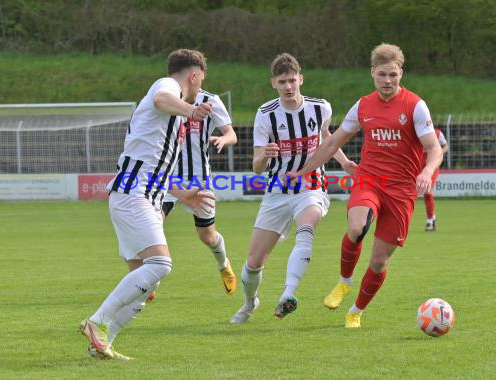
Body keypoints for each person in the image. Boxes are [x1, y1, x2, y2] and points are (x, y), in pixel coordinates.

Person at [287, 43, 443, 328]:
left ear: (401, 74)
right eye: (382, 75)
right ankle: (344, 281)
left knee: (379, 262)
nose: (387, 81)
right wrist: (303, 170)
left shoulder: (415, 106)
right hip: (369, 179)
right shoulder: (363, 105)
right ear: (373, 73)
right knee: (357, 227)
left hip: (401, 190)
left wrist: (427, 170)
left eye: (393, 75)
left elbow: (434, 148)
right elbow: (333, 142)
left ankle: (356, 311)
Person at [79, 49, 215, 360]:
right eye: (200, 81)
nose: (198, 90)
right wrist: (190, 111)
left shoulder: (171, 114)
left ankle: (101, 345)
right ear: (193, 76)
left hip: (142, 196)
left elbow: (156, 166)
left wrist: (183, 195)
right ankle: (97, 321)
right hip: (133, 194)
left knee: (145, 286)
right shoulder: (165, 86)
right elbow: (160, 100)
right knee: (161, 265)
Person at [229, 53, 353, 324]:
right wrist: (265, 155)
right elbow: (257, 167)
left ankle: (288, 294)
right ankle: (250, 303)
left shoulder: (320, 107)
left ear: (301, 79)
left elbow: (326, 138)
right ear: (273, 82)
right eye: (282, 81)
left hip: (311, 185)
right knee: (253, 263)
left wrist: (343, 162)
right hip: (277, 190)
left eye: (292, 80)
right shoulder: (265, 115)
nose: (288, 86)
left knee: (306, 228)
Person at [162, 88, 238, 294]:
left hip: (199, 180)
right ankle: (148, 277)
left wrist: (223, 139)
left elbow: (231, 134)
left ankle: (223, 265)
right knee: (152, 225)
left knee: (207, 236)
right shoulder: (165, 98)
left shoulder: (211, 101)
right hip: (168, 178)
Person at [423, 128, 448, 231]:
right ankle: (432, 217)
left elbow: (446, 146)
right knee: (425, 193)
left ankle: (429, 221)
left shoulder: (437, 133)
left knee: (428, 192)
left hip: (432, 166)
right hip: (418, 166)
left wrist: (439, 152)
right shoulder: (415, 132)